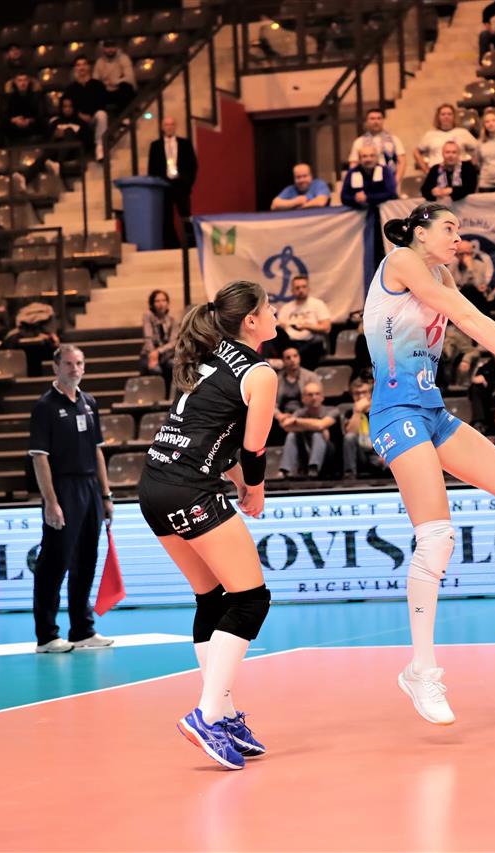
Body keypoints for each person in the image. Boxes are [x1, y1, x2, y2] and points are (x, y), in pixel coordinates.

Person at [369, 202, 495, 726]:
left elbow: (473, 317)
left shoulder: (439, 274)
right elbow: (464, 316)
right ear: (419, 232)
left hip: (431, 411)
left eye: (460, 229)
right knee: (437, 537)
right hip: (396, 414)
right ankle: (421, 670)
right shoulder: (402, 261)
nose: (457, 238)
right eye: (448, 228)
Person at [137, 280, 278, 769]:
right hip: (189, 489)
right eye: (269, 307)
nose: (275, 313)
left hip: (153, 485)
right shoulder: (259, 372)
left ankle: (224, 714)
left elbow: (210, 439)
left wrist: (240, 483)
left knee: (212, 597)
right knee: (251, 599)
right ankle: (208, 714)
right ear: (251, 320)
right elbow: (253, 450)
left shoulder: (209, 354)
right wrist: (254, 488)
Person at [27, 345, 117, 655]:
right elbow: (39, 458)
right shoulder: (45, 407)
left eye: (79, 363)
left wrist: (105, 495)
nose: (74, 368)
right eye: (68, 363)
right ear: (56, 368)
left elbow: (97, 451)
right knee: (54, 563)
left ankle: (82, 630)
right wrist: (51, 502)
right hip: (62, 488)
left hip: (90, 488)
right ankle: (46, 636)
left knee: (86, 560)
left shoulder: (89, 402)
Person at [148, 117, 198, 249]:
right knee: (166, 217)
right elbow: (152, 168)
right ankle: (171, 245)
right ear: (162, 127)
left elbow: (192, 165)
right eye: (166, 125)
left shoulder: (185, 143)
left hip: (181, 185)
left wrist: (187, 182)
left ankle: (192, 244)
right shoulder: (155, 146)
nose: (169, 127)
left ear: (175, 126)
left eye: (171, 124)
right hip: (164, 186)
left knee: (186, 215)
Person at [276, 378, 341, 478]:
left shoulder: (332, 410)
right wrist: (313, 426)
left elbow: (321, 424)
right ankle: (285, 470)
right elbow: (287, 427)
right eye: (310, 395)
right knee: (292, 435)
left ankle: (314, 468)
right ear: (303, 399)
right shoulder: (300, 412)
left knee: (317, 435)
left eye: (317, 394)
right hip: (305, 452)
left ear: (322, 397)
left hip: (329, 455)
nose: (314, 397)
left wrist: (297, 421)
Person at [275, 275, 331, 368]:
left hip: (312, 343)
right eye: (297, 288)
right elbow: (279, 325)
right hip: (290, 342)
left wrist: (307, 326)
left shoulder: (318, 304)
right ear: (292, 291)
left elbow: (326, 327)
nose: (301, 290)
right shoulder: (286, 308)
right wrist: (282, 326)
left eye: (304, 287)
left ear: (308, 289)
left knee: (310, 348)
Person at [61, 57, 110, 160]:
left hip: (93, 118)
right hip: (77, 119)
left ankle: (100, 147)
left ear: (89, 67)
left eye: (84, 64)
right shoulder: (70, 89)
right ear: (75, 69)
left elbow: (102, 104)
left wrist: (90, 115)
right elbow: (66, 106)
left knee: (102, 115)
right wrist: (79, 115)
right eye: (78, 65)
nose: (81, 67)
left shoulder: (98, 85)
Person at [414, 104, 479, 173]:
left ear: (454, 116)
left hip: (460, 173)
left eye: (449, 114)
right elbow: (416, 152)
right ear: (438, 117)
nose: (446, 116)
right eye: (443, 114)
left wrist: (472, 166)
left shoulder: (463, 133)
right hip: (437, 173)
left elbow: (478, 149)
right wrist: (425, 169)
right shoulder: (430, 135)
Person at [348, 108, 407, 181]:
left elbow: (402, 162)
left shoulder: (394, 139)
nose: (376, 121)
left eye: (379, 118)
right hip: (367, 181)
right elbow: (354, 164)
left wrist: (395, 181)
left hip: (390, 179)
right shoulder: (359, 142)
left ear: (383, 120)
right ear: (367, 121)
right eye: (372, 119)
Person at [342, 377, 384, 479]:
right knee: (349, 438)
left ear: (370, 394)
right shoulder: (349, 413)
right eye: (357, 393)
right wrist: (357, 412)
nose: (361, 396)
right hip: (360, 454)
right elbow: (350, 434)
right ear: (352, 396)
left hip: (378, 454)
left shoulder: (381, 410)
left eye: (364, 392)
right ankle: (349, 475)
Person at [340, 143, 399, 209]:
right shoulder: (352, 173)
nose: (368, 159)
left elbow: (391, 193)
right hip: (361, 211)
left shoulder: (385, 171)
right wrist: (355, 198)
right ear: (359, 159)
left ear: (377, 158)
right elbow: (344, 197)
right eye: (364, 156)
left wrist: (367, 197)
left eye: (372, 156)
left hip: (385, 210)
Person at [140, 288, 178, 385]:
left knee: (173, 365)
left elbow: (173, 342)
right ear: (152, 303)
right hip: (149, 352)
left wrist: (158, 351)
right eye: (157, 301)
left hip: (167, 354)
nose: (161, 304)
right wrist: (153, 354)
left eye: (163, 300)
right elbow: (148, 337)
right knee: (154, 369)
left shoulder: (172, 318)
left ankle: (169, 393)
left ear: (167, 302)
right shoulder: (148, 315)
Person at [0, 71, 49, 144]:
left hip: (34, 126)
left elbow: (42, 114)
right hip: (13, 128)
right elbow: (3, 115)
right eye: (19, 80)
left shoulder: (38, 96)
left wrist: (29, 120)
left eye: (25, 80)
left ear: (29, 81)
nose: (23, 83)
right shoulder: (7, 97)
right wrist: (14, 120)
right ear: (15, 82)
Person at [94, 38, 137, 117]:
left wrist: (115, 81)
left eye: (112, 46)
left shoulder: (124, 58)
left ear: (116, 47)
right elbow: (95, 80)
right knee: (96, 90)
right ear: (104, 49)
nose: (110, 49)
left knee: (126, 87)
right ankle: (101, 117)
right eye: (107, 47)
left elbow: (130, 77)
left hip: (120, 90)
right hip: (107, 91)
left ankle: (124, 117)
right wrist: (103, 83)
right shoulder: (99, 62)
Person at [273, 346, 317, 414]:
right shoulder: (277, 379)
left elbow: (316, 401)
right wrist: (279, 415)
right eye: (288, 358)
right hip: (282, 416)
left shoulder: (310, 376)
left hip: (305, 415)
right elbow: (272, 403)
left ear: (299, 358)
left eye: (295, 356)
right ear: (283, 361)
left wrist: (297, 416)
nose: (292, 360)